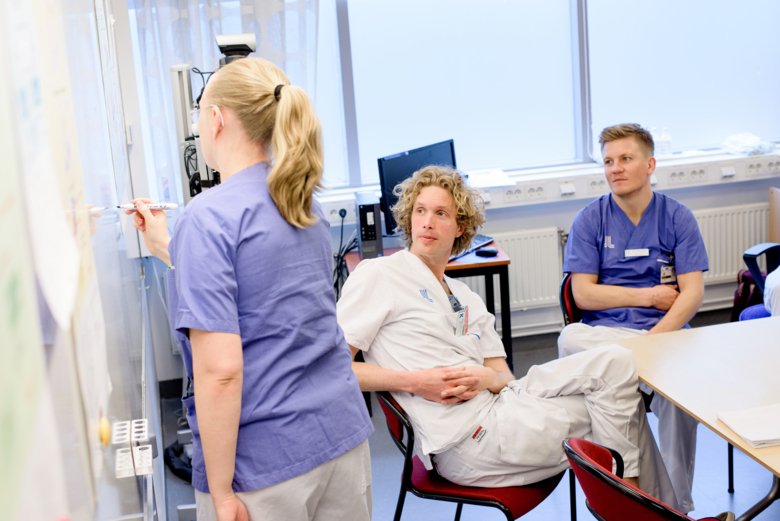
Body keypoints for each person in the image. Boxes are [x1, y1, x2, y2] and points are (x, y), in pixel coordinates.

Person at [337, 165, 682, 510]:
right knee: (619, 403)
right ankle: (654, 512)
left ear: (459, 227)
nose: (427, 222)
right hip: (467, 440)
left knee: (617, 370)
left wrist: (488, 377)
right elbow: (336, 369)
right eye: (420, 211)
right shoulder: (380, 275)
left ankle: (654, 512)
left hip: (505, 408)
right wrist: (414, 382)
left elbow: (504, 378)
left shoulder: (465, 296)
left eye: (441, 213)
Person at [130, 58, 373, 521]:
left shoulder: (207, 218)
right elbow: (264, 289)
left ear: (217, 118)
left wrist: (221, 492)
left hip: (265, 469)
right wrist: (170, 247)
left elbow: (221, 371)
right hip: (341, 437)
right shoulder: (301, 203)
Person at [557, 123, 708, 513]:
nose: (615, 168)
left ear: (650, 164)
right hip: (605, 334)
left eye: (626, 158)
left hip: (663, 335)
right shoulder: (591, 219)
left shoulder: (677, 217)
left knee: (682, 397)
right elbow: (583, 293)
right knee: (569, 339)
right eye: (608, 161)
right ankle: (640, 498)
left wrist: (653, 340)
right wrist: (647, 296)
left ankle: (678, 506)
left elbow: (692, 294)